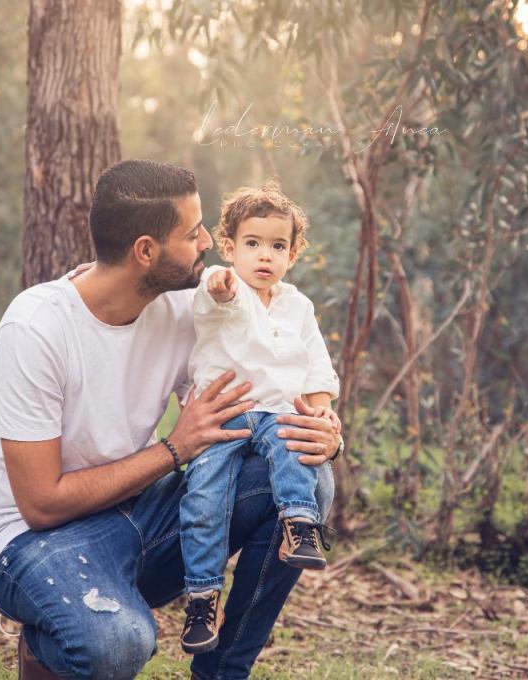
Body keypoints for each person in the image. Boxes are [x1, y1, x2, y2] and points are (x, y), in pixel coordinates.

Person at [0, 159, 343, 680]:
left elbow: (262, 389)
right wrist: (174, 448)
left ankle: (220, 672)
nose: (208, 241)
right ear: (146, 251)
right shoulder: (37, 328)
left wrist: (323, 433)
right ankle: (48, 642)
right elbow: (40, 504)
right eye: (192, 233)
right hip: (33, 543)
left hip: (143, 516)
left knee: (311, 478)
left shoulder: (186, 308)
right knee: (118, 645)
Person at [178, 182, 341, 655]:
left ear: (293, 253)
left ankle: (299, 525)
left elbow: (316, 364)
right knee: (204, 496)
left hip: (277, 412)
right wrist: (220, 285)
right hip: (225, 418)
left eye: (277, 246)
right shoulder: (223, 286)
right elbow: (212, 296)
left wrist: (323, 408)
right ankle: (202, 597)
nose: (265, 255)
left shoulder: (297, 305)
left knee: (295, 445)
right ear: (229, 248)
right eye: (252, 243)